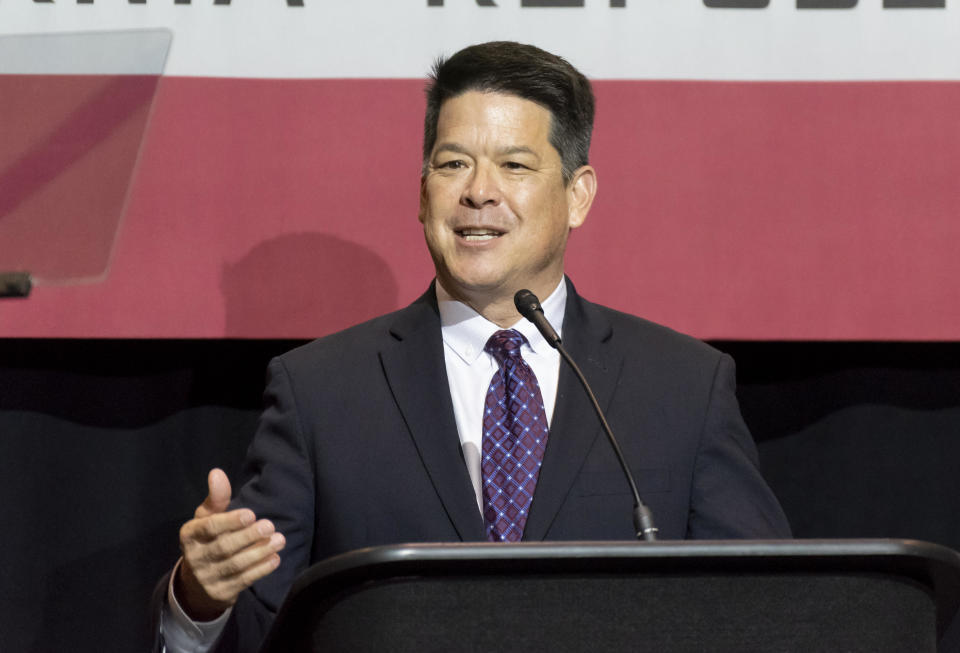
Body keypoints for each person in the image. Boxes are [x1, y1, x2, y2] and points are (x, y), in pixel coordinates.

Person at [154, 41, 791, 653]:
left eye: (514, 165)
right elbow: (266, 627)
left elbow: (767, 613)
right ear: (422, 189)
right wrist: (201, 602)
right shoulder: (321, 391)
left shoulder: (681, 386)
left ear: (578, 195)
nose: (477, 191)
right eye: (453, 163)